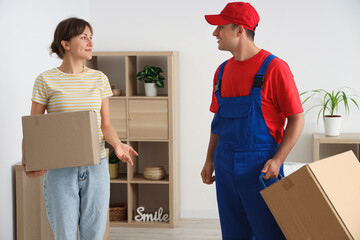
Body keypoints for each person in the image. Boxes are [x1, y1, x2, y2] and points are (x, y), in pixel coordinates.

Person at [22, 17, 137, 240]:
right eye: (83, 37)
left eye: (91, 37)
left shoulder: (99, 79)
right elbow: (33, 129)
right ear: (65, 44)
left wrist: (117, 144)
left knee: (93, 234)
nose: (90, 42)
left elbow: (106, 125)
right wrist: (29, 161)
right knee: (64, 234)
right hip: (59, 168)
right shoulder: (45, 80)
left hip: (96, 165)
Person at [201, 2, 304, 240]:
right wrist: (209, 159)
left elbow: (297, 118)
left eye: (220, 27)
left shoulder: (275, 68)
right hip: (224, 164)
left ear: (239, 30)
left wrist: (279, 160)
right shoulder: (222, 71)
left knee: (269, 233)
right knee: (233, 233)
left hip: (261, 166)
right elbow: (219, 119)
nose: (215, 33)